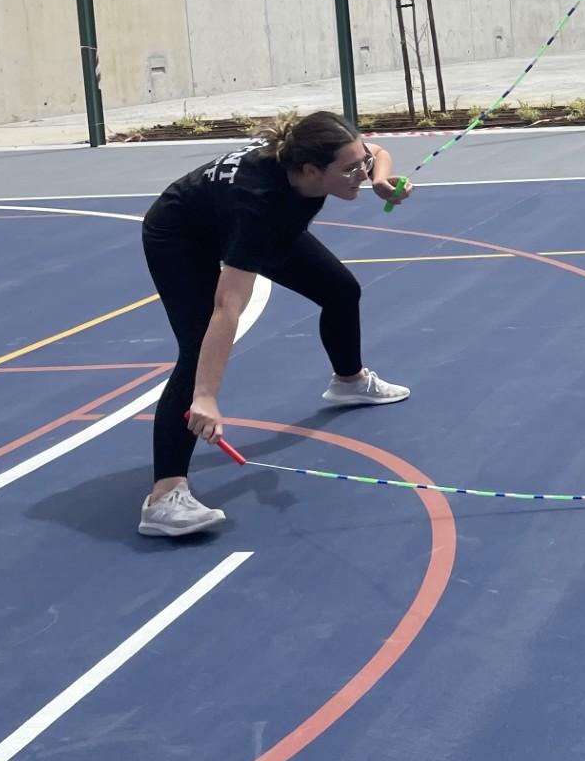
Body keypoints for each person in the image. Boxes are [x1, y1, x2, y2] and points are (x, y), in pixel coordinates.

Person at [136, 111, 412, 537]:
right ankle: (164, 498)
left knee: (340, 290)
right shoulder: (259, 204)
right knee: (196, 352)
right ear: (311, 170)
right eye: (351, 169)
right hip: (181, 236)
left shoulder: (320, 163)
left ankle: (349, 381)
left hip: (246, 218)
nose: (360, 172)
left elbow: (376, 151)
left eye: (360, 164)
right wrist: (205, 397)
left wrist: (378, 180)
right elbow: (228, 306)